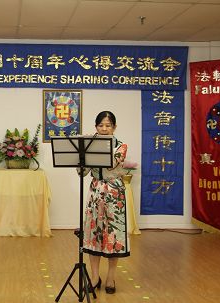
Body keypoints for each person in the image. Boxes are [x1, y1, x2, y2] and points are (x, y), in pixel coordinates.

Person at [81, 111, 129, 294]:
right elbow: (82, 173)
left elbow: (110, 164)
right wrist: (82, 157)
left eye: (108, 125)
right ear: (96, 127)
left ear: (114, 127)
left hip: (114, 194)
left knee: (113, 236)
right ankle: (94, 277)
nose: (104, 128)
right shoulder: (89, 145)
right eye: (100, 125)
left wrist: (92, 151)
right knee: (94, 234)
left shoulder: (121, 146)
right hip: (95, 192)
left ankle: (111, 277)